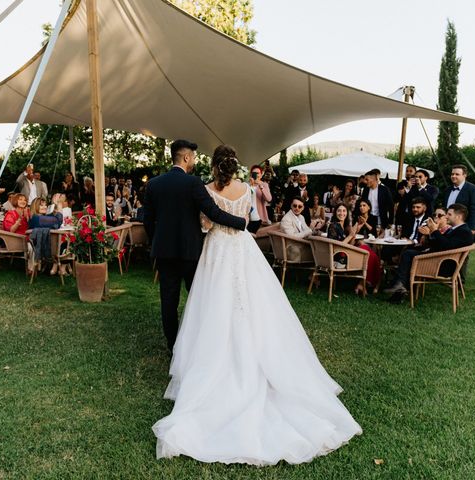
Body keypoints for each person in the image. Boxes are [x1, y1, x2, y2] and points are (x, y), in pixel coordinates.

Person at [153, 144, 361, 466]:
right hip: (244, 250)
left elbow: (207, 224)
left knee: (212, 306)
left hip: (217, 251)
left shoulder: (205, 189)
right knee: (254, 305)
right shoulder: (248, 189)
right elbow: (249, 221)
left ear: (213, 165)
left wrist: (212, 225)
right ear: (236, 166)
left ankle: (208, 359)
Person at [143, 140, 247, 351]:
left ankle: (173, 347)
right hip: (191, 253)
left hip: (164, 253)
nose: (195, 161)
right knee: (198, 298)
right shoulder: (193, 183)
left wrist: (158, 241)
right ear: (186, 157)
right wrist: (241, 222)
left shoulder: (154, 184)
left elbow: (148, 221)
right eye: (194, 157)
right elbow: (213, 213)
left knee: (168, 302)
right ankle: (197, 343)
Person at [384, 203, 474, 299]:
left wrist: (434, 230)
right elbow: (439, 244)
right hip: (438, 259)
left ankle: (399, 286)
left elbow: (447, 246)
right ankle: (400, 287)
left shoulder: (464, 232)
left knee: (409, 254)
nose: (446, 216)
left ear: (458, 216)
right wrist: (430, 234)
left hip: (443, 266)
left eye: (449, 214)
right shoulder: (455, 229)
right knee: (410, 252)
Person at [443, 164, 475, 236]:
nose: (453, 176)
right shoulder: (447, 190)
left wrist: (472, 228)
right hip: (449, 227)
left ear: (464, 175)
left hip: (466, 227)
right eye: (452, 174)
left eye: (457, 174)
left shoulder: (473, 190)